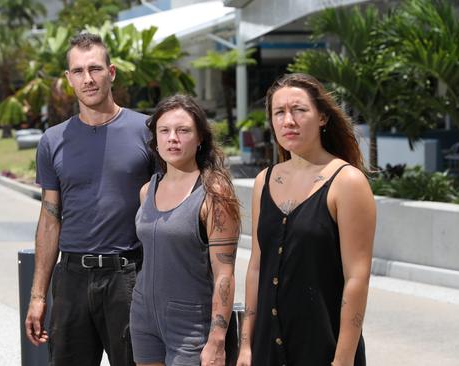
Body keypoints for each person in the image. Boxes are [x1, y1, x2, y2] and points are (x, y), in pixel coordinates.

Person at [24, 32, 154, 366]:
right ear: (68, 79)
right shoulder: (52, 141)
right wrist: (38, 295)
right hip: (71, 280)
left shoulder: (148, 131)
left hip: (129, 276)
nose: (88, 78)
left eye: (95, 69)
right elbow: (50, 218)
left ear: (111, 73)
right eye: (78, 71)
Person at [237, 73, 376, 366]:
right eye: (279, 112)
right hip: (267, 348)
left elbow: (357, 277)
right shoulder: (265, 180)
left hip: (322, 348)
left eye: (299, 110)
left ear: (323, 116)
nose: (288, 120)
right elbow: (256, 266)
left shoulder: (347, 181)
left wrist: (343, 359)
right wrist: (246, 344)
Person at [131, 94, 241, 366]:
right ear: (155, 139)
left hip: (191, 323)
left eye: (183, 131)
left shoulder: (214, 193)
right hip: (144, 317)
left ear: (200, 137)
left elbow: (224, 273)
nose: (173, 138)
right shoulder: (148, 190)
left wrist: (217, 338)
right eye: (164, 131)